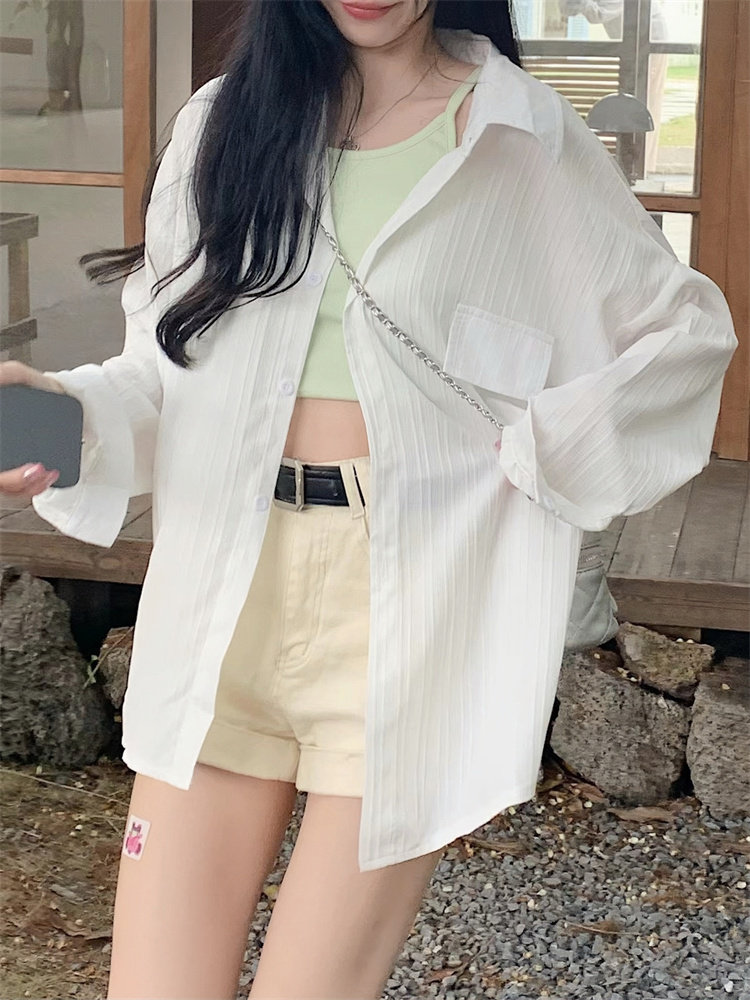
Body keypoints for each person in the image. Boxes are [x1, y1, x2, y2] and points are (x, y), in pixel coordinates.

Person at [0, 2, 736, 997]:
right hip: (225, 593)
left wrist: (543, 450)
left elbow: (684, 336)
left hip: (407, 609)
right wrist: (46, 421)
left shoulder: (516, 132)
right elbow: (162, 379)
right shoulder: (224, 123)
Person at [558, 0, 670, 175]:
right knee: (632, 102)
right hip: (631, 43)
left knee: (644, 103)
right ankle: (633, 167)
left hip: (650, 41)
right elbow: (567, 9)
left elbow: (597, 14)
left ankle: (641, 168)